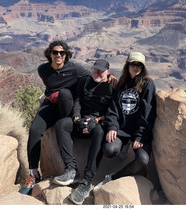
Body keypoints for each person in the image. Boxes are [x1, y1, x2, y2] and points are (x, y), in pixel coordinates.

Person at [19, 40, 91, 195]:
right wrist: (50, 96)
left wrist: (110, 76)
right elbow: (49, 87)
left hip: (67, 108)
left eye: (62, 52)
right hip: (51, 106)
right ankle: (33, 175)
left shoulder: (75, 69)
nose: (58, 55)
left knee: (64, 93)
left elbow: (92, 77)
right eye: (55, 52)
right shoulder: (43, 70)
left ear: (66, 55)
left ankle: (62, 124)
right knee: (34, 130)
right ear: (50, 54)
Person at [93, 52, 157, 192]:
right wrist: (112, 127)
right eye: (132, 64)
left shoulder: (147, 84)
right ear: (127, 65)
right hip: (122, 130)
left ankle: (113, 178)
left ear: (143, 67)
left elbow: (148, 112)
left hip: (138, 132)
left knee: (142, 161)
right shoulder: (121, 83)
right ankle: (123, 147)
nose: (135, 67)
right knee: (109, 150)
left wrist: (140, 136)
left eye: (139, 64)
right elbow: (113, 108)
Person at [53, 59, 113, 205]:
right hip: (81, 120)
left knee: (99, 132)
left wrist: (97, 120)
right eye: (95, 70)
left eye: (101, 71)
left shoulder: (112, 86)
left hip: (98, 122)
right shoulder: (85, 81)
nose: (97, 73)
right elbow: (78, 101)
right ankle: (72, 170)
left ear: (108, 72)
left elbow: (112, 111)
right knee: (62, 124)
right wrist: (77, 118)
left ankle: (86, 181)